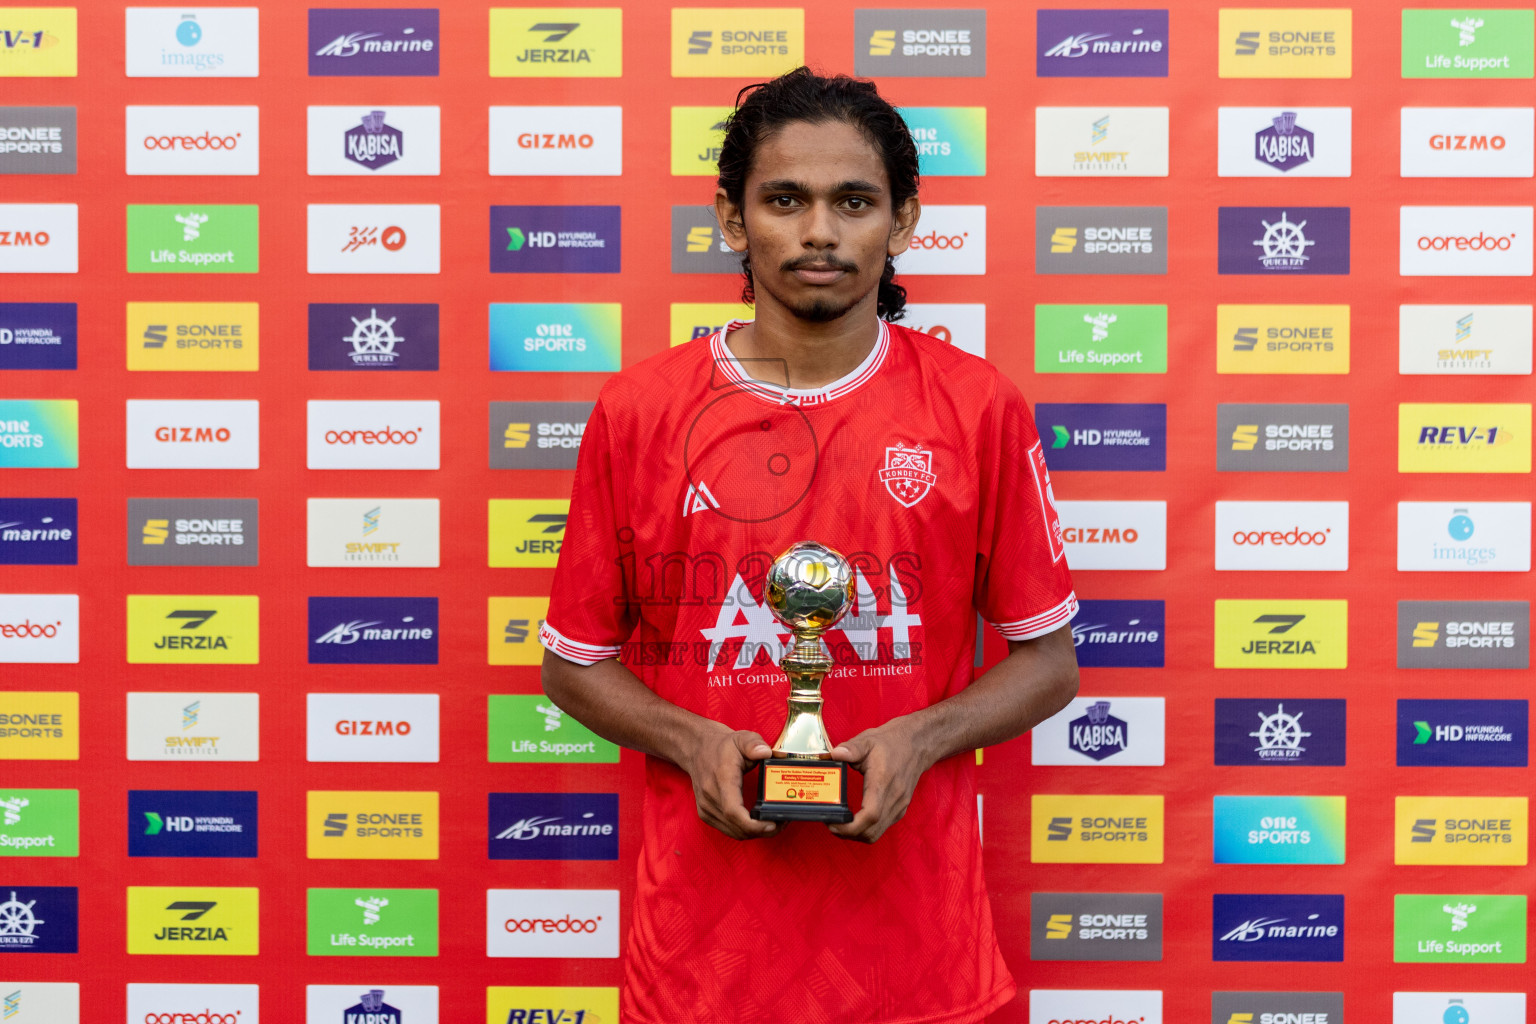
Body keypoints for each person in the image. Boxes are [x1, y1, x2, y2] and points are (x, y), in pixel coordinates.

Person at [539, 67, 1080, 1024]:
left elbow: (1047, 664)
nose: (820, 231)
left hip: (917, 955)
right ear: (733, 219)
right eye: (785, 200)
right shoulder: (640, 412)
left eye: (854, 202)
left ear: (903, 223)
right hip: (703, 963)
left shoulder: (977, 407)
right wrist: (690, 739)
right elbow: (574, 665)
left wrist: (922, 737)